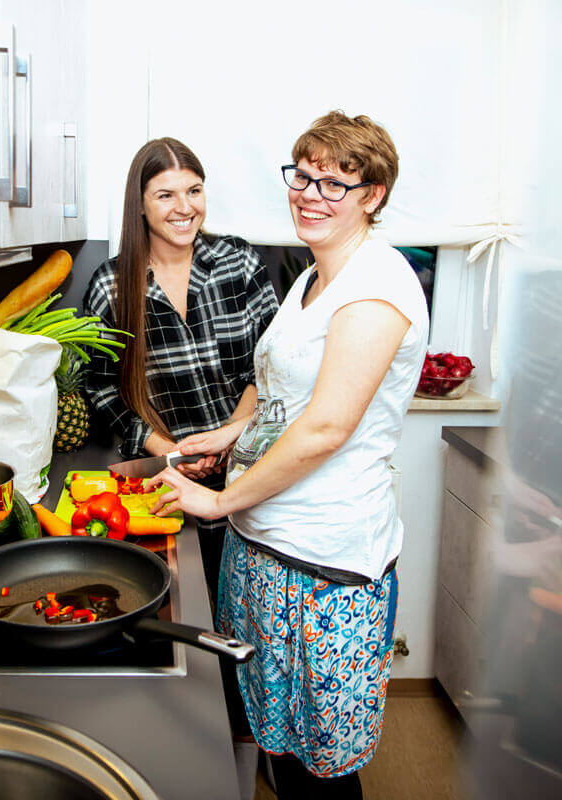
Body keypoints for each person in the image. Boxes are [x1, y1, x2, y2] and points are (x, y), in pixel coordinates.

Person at [151, 111, 428, 798]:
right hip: (264, 551)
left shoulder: (379, 285)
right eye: (303, 176)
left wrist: (216, 502)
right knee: (279, 752)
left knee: (321, 775)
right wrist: (228, 436)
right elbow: (280, 403)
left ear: (375, 195)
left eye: (336, 183)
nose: (310, 193)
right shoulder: (311, 281)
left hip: (324, 569)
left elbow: (326, 428)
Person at [81, 137, 279, 599]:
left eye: (194, 190)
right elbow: (102, 390)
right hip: (163, 490)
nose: (184, 207)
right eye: (165, 195)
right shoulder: (111, 285)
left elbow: (269, 367)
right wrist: (171, 451)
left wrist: (231, 435)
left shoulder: (239, 262)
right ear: (142, 206)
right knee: (185, 621)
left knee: (243, 629)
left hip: (248, 482)